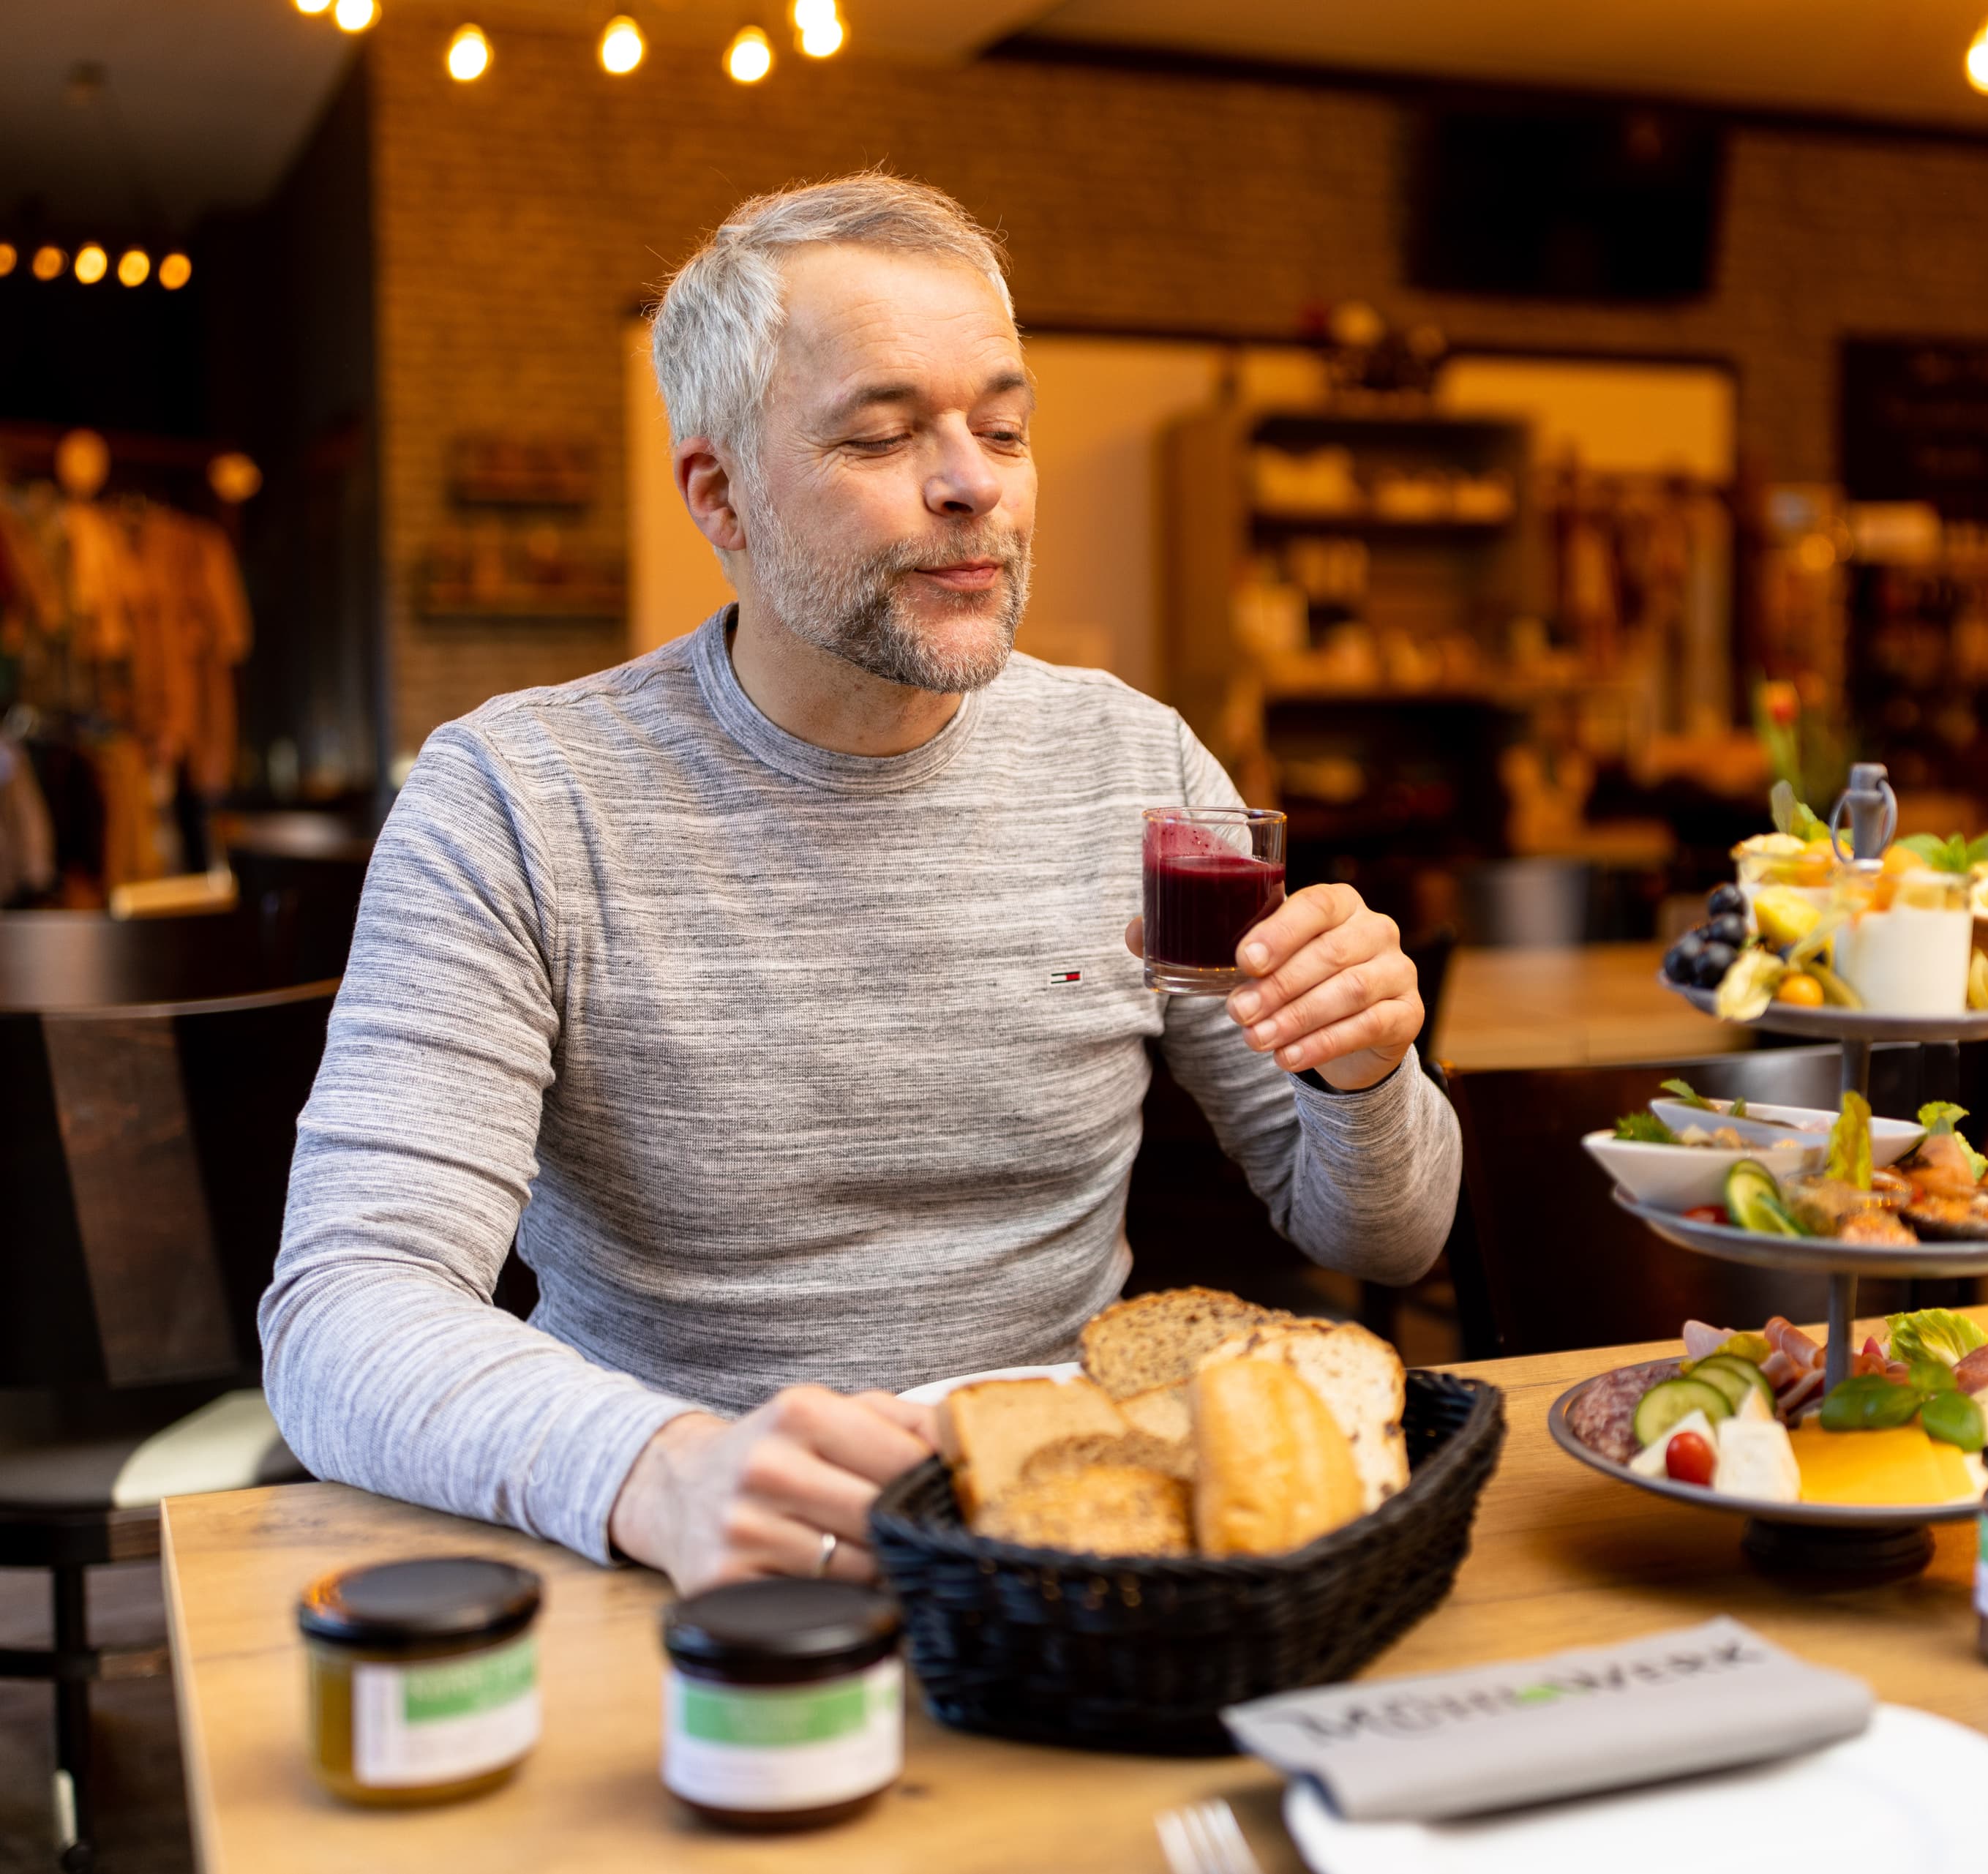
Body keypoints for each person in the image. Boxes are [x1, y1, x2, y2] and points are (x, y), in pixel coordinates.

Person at [261, 174, 1460, 1593]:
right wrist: (660, 1471)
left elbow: (1383, 1232)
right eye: (885, 435)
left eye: (1003, 429)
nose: (976, 484)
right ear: (722, 494)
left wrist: (1368, 1075)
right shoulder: (519, 801)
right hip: (684, 1569)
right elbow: (342, 1310)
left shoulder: (1138, 767)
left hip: (1069, 1559)